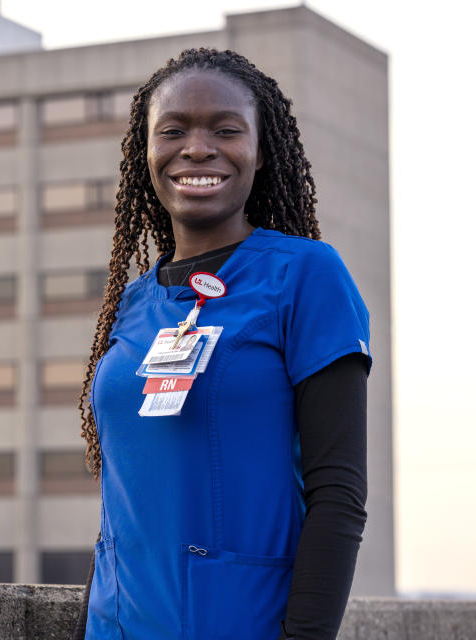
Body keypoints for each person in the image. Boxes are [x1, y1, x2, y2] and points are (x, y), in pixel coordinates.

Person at [72, 48, 371, 640]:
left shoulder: (306, 276)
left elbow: (338, 495)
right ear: (145, 154)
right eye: (173, 131)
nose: (197, 148)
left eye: (226, 130)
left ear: (260, 152)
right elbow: (123, 505)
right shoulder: (131, 306)